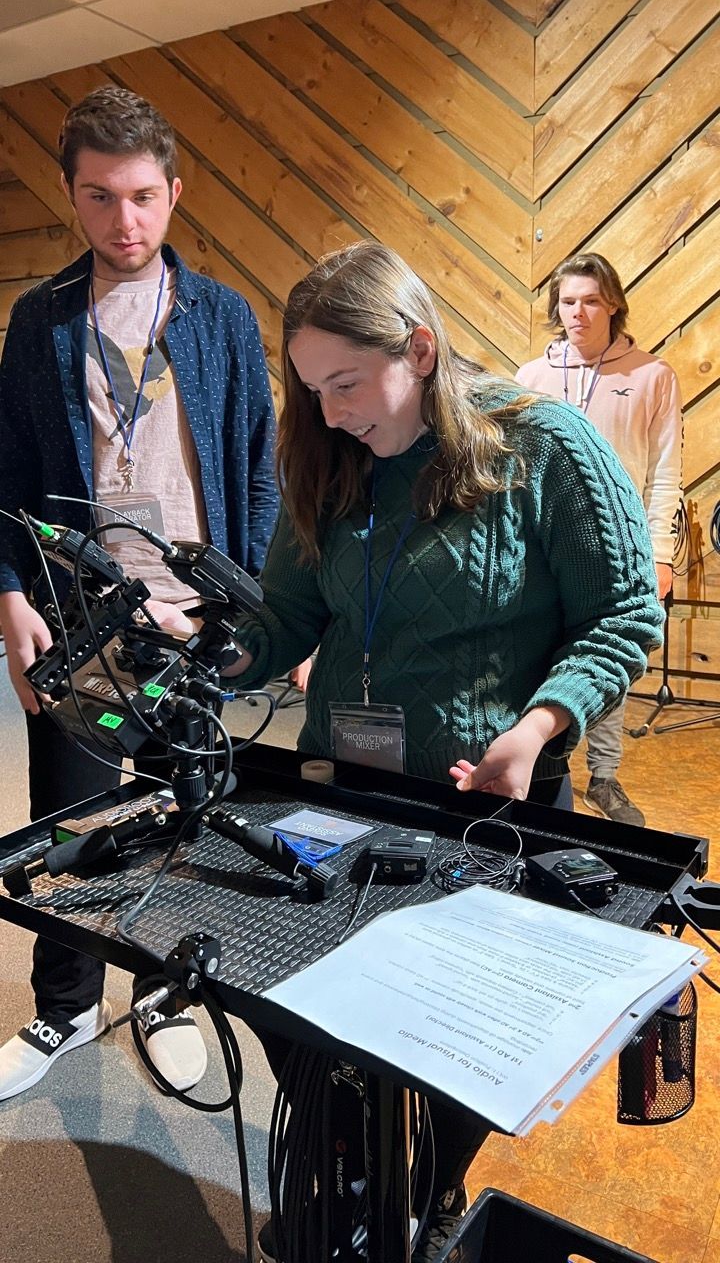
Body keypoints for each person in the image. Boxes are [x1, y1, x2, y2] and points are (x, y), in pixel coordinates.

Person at [218, 241, 664, 1261]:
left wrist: (540, 723)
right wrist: (217, 655)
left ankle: (434, 1183)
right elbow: (287, 613)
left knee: (446, 1048)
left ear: (419, 348)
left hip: (486, 809)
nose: (328, 411)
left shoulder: (544, 444)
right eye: (310, 386)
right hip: (341, 788)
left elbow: (624, 612)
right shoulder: (327, 454)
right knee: (305, 1014)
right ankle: (352, 1169)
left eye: (344, 381)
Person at [0, 86, 279, 1101]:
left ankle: (165, 992)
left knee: (187, 819)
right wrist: (7, 596)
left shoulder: (226, 317)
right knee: (72, 823)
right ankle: (65, 1005)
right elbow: (6, 480)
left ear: (174, 192)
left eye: (144, 196)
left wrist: (262, 607)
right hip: (82, 623)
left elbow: (258, 471)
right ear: (72, 196)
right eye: (100, 196)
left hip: (195, 622)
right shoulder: (38, 322)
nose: (125, 222)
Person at [515, 252, 682, 826]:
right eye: (567, 302)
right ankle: (540, 767)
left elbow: (665, 474)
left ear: (612, 303)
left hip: (621, 548)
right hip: (542, 551)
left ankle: (605, 776)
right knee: (538, 657)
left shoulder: (652, 376)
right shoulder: (532, 378)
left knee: (610, 659)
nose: (578, 313)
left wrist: (659, 556)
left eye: (590, 300)